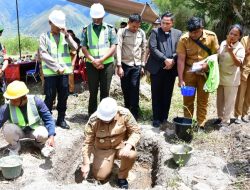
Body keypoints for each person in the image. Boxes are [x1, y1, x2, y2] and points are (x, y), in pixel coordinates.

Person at [81, 97, 140, 189]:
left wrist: (128, 145)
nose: (105, 120)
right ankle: (108, 165)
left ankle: (122, 176)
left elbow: (136, 132)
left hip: (121, 146)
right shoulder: (93, 120)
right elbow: (87, 143)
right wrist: (86, 163)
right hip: (103, 149)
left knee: (130, 154)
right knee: (100, 177)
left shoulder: (125, 114)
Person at [177, 17, 219, 128]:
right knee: (188, 100)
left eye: (195, 32)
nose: (193, 35)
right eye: (191, 32)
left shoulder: (212, 37)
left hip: (205, 74)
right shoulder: (184, 39)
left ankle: (201, 124)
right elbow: (181, 60)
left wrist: (207, 65)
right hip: (189, 73)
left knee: (203, 100)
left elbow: (217, 55)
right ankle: (188, 123)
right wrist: (181, 79)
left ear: (202, 28)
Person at [39, 10, 78, 129]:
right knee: (50, 97)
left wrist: (67, 35)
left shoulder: (65, 37)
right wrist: (57, 68)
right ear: (50, 23)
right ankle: (47, 120)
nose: (58, 27)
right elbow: (43, 54)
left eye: (60, 25)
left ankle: (61, 119)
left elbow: (75, 47)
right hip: (51, 73)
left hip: (64, 74)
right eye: (56, 25)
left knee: (63, 96)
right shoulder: (44, 36)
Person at [0, 81, 55, 156]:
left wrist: (51, 136)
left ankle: (40, 145)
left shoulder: (36, 101)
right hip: (19, 132)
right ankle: (15, 147)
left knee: (44, 133)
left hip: (34, 131)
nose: (11, 102)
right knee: (7, 128)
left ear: (24, 97)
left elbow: (48, 119)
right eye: (10, 99)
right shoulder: (7, 107)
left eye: (14, 100)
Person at [145, 12, 182, 127]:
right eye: (163, 23)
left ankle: (164, 117)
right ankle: (156, 118)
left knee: (167, 94)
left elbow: (180, 50)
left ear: (172, 23)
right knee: (156, 93)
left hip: (170, 69)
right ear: (160, 22)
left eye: (167, 23)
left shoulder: (178, 33)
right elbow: (153, 48)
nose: (165, 25)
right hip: (157, 68)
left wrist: (172, 61)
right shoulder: (155, 32)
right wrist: (165, 59)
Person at [81, 3, 117, 116]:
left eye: (99, 17)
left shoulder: (110, 29)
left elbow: (113, 46)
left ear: (103, 16)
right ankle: (92, 114)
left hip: (107, 64)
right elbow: (83, 47)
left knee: (105, 91)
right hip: (91, 64)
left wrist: (101, 60)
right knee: (93, 90)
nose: (97, 19)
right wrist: (93, 61)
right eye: (94, 17)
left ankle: (105, 114)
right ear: (91, 16)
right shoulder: (86, 30)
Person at [116, 13, 147, 120]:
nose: (135, 28)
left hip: (137, 65)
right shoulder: (122, 32)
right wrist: (119, 66)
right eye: (134, 26)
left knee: (135, 87)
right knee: (125, 88)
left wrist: (143, 65)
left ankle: (134, 112)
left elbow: (144, 49)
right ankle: (127, 109)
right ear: (129, 23)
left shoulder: (141, 33)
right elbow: (118, 48)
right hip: (124, 64)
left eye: (137, 26)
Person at [215, 24, 245, 126]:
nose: (232, 36)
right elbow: (218, 55)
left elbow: (238, 64)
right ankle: (220, 117)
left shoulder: (240, 47)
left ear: (239, 36)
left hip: (232, 78)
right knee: (220, 100)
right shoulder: (223, 43)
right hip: (220, 76)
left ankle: (225, 121)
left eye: (235, 35)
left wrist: (231, 52)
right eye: (231, 33)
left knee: (229, 101)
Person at [234, 34, 250, 123]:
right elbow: (241, 54)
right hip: (245, 70)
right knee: (241, 94)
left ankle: (245, 114)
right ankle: (238, 115)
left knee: (249, 95)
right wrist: (248, 51)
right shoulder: (245, 39)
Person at [67, 29, 81, 96]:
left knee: (70, 75)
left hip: (73, 58)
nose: (70, 36)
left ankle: (71, 90)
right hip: (65, 60)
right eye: (68, 35)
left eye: (71, 35)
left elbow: (75, 51)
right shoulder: (64, 40)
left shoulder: (76, 40)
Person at [0, 25, 9, 105]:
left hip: (1, 77)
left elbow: (6, 60)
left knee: (2, 102)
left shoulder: (2, 47)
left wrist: (2, 70)